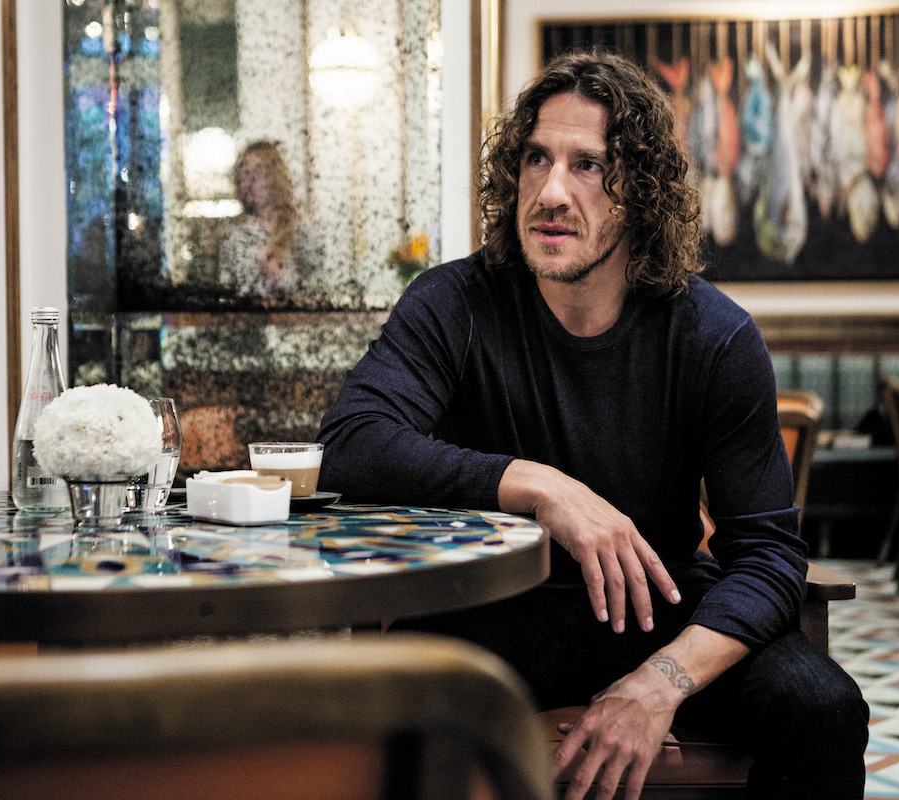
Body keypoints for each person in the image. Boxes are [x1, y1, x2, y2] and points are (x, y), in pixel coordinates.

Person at [317, 49, 867, 800]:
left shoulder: (714, 336)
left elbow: (768, 555)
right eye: (536, 159)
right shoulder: (455, 303)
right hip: (496, 609)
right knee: (396, 703)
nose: (551, 191)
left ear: (641, 191)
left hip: (658, 607)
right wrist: (538, 487)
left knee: (822, 707)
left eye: (588, 166)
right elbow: (350, 444)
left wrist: (659, 683)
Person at [218, 140, 321, 301]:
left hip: (290, 317)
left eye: (255, 175)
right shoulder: (235, 236)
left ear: (273, 178)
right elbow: (225, 292)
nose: (247, 184)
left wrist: (277, 273)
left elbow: (318, 293)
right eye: (242, 176)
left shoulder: (300, 230)